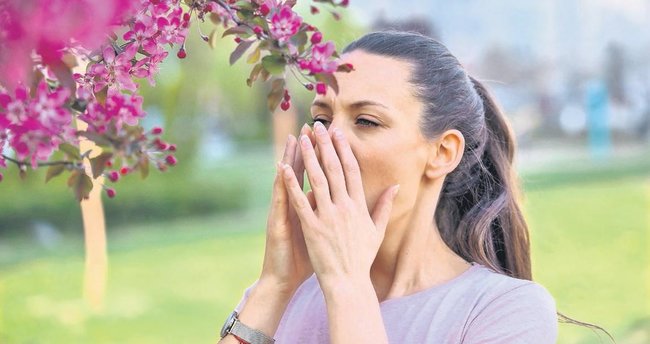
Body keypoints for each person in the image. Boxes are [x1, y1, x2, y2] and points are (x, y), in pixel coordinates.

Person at [218, 30, 558, 344]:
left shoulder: (503, 311)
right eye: (322, 118)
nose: (328, 139)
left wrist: (348, 286)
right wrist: (275, 284)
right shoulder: (283, 294)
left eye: (366, 121)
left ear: (442, 152)